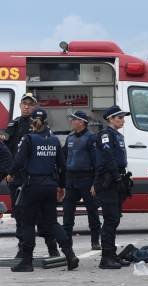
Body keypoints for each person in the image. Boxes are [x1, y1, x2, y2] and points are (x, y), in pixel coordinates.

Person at [7, 108, 79, 272]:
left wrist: (10, 174)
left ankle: (26, 262)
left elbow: (19, 160)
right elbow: (62, 166)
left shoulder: (29, 139)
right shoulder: (54, 141)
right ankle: (70, 254)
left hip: (32, 186)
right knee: (51, 222)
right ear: (46, 121)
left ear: (32, 122)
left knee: (28, 223)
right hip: (50, 186)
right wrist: (61, 186)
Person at [4, 93, 59, 258]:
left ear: (35, 106)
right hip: (17, 177)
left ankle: (52, 248)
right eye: (24, 104)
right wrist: (9, 171)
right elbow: (5, 147)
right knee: (20, 215)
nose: (27, 107)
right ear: (20, 105)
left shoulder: (41, 126)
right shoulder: (14, 124)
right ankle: (23, 250)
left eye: (30, 104)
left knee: (44, 215)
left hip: (35, 178)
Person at [94, 105, 132, 269]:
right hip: (108, 179)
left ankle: (111, 254)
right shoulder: (105, 135)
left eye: (123, 117)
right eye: (119, 117)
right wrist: (115, 176)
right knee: (110, 219)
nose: (123, 120)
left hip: (117, 177)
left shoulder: (117, 135)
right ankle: (106, 257)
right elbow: (108, 155)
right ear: (110, 119)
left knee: (115, 218)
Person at [62, 111, 101, 250]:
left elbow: (97, 162)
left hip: (86, 179)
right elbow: (63, 157)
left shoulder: (91, 138)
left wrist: (95, 183)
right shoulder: (70, 137)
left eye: (74, 119)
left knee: (92, 211)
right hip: (71, 179)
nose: (71, 121)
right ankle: (67, 243)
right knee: (67, 212)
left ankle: (95, 241)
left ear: (82, 122)